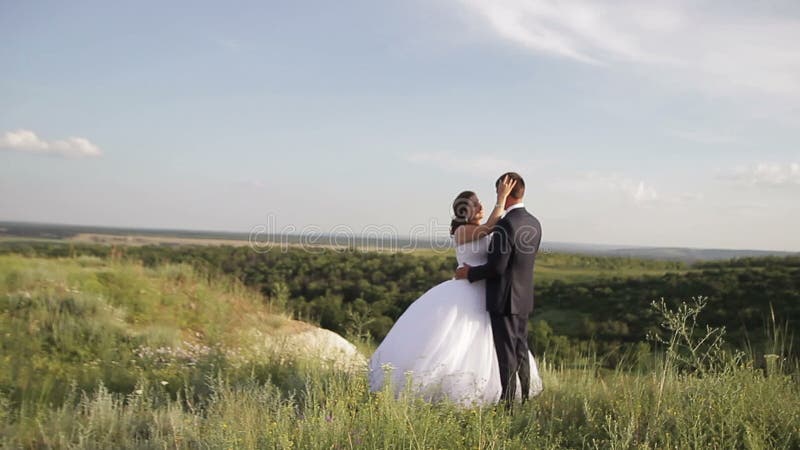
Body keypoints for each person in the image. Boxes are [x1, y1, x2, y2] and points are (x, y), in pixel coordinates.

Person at [368, 175, 543, 406]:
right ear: (464, 212)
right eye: (475, 204)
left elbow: (495, 240)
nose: (481, 206)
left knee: (502, 346)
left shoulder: (488, 228)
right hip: (469, 291)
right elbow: (492, 226)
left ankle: (509, 396)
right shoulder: (463, 231)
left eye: (480, 202)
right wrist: (501, 199)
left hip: (489, 291)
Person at [455, 172, 542, 407]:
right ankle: (525, 398)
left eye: (499, 192)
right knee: (521, 349)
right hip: (523, 298)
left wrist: (469, 273)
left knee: (506, 356)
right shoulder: (534, 222)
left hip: (503, 298)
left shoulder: (506, 224)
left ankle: (508, 406)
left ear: (506, 192)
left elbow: (497, 267)